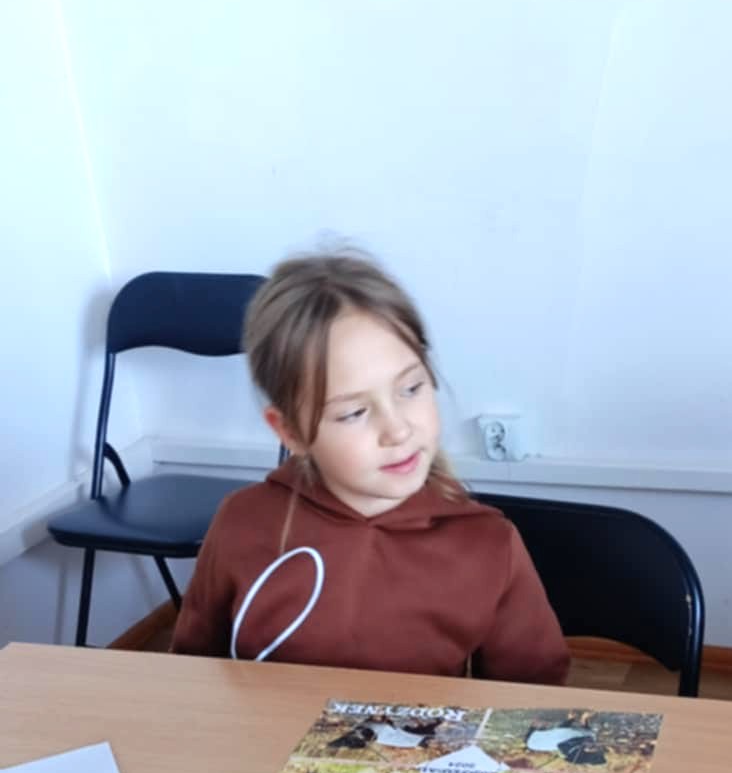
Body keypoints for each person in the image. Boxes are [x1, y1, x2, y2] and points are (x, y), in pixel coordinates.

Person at [171, 250, 570, 684]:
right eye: (353, 413)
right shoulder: (240, 523)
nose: (397, 430)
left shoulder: (489, 544)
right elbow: (195, 673)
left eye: (411, 388)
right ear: (290, 432)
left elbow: (533, 695)